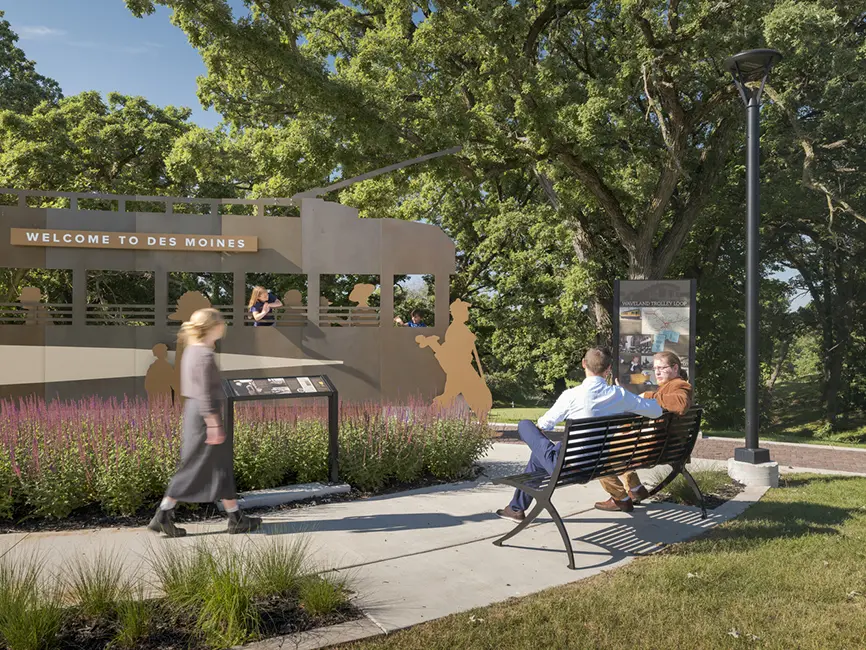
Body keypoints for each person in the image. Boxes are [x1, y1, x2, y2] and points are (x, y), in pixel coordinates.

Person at [496, 347, 663, 522]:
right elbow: (656, 411)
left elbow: (545, 424)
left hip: (566, 467)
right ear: (608, 370)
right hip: (596, 465)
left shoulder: (571, 396)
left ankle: (515, 508)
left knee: (525, 425)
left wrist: (540, 432)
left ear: (584, 364)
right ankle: (515, 508)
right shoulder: (619, 395)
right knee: (538, 458)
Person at [148, 308, 262, 537]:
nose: (224, 325)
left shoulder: (193, 350)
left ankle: (236, 517)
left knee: (221, 467)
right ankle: (162, 515)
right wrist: (213, 422)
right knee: (193, 467)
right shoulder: (204, 355)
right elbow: (203, 391)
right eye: (220, 322)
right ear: (213, 327)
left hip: (197, 412)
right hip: (204, 417)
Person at [596, 351, 693, 511]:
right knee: (614, 445)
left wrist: (646, 396)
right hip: (663, 448)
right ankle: (635, 489)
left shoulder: (680, 385)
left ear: (675, 368)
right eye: (655, 368)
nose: (658, 372)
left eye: (662, 368)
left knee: (598, 453)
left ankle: (621, 498)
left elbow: (681, 403)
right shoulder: (667, 388)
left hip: (652, 450)